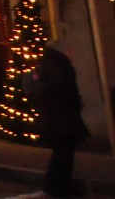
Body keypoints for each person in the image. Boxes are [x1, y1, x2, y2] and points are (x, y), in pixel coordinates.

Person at [34, 39, 90, 198]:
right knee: (63, 154)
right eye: (68, 50)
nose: (71, 53)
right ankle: (57, 187)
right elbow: (64, 90)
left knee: (62, 153)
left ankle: (57, 186)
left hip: (56, 117)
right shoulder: (58, 67)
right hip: (61, 117)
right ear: (61, 51)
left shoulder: (49, 65)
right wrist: (76, 101)